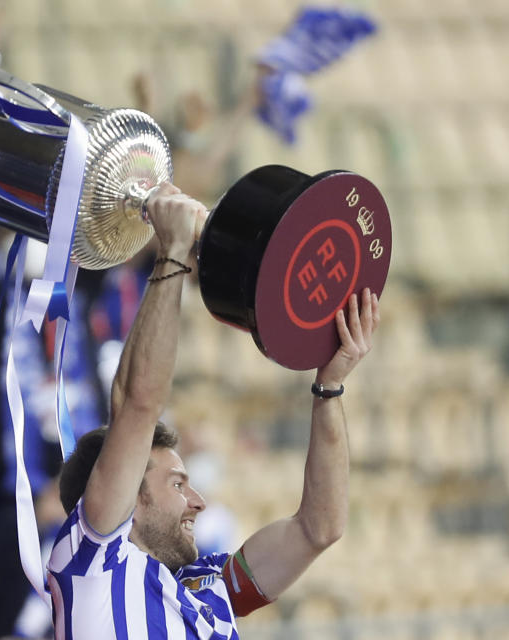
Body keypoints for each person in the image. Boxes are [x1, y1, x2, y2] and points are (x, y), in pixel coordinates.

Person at [49, 182, 379, 637]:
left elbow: (318, 529)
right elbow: (137, 407)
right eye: (178, 484)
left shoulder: (209, 589)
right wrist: (172, 253)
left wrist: (330, 386)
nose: (198, 502)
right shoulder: (92, 562)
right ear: (129, 500)